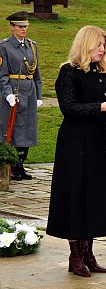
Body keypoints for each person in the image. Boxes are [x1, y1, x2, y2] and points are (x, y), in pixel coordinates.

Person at [46, 25, 106, 277]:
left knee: (95, 198)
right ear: (86, 45)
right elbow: (70, 108)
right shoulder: (69, 72)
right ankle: (75, 256)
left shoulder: (103, 72)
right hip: (76, 146)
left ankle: (89, 253)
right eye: (98, 45)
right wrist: (101, 107)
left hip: (100, 144)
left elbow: (104, 106)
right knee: (76, 198)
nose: (103, 49)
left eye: (104, 45)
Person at [0, 12, 42, 180]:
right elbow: (2, 75)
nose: (24, 29)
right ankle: (10, 165)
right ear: (12, 27)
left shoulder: (32, 46)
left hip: (29, 91)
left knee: (27, 128)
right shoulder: (4, 47)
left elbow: (36, 73)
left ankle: (21, 165)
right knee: (11, 128)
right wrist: (8, 94)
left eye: (25, 27)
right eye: (20, 26)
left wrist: (39, 94)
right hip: (13, 91)